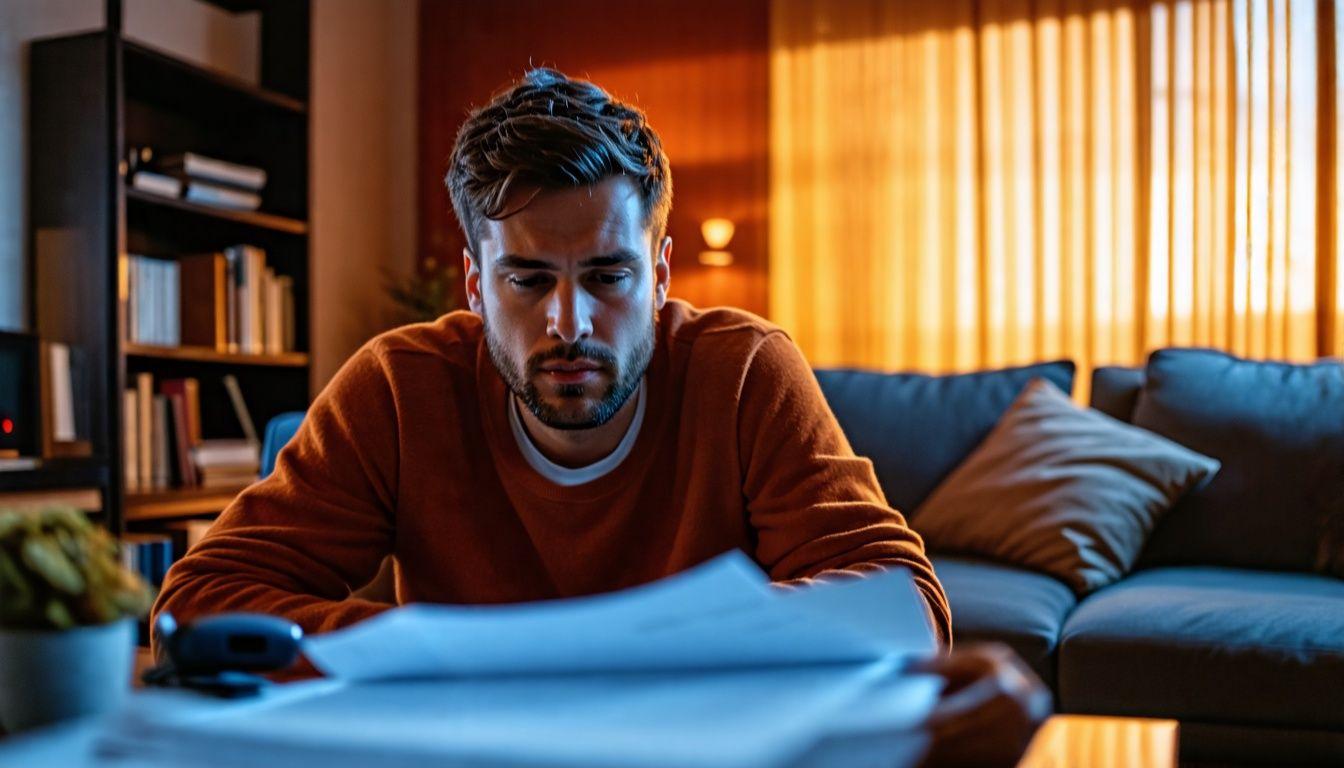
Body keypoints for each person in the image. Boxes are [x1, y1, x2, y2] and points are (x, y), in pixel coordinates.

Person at [153, 68, 1046, 765]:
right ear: (476, 287)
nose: (569, 324)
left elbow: (898, 597)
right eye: (529, 279)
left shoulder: (742, 371)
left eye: (609, 278)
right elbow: (197, 603)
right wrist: (443, 652)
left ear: (659, 278)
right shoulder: (397, 388)